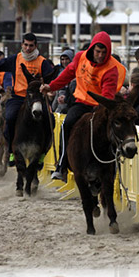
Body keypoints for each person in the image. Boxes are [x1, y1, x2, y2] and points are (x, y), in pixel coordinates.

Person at [42, 32, 126, 182]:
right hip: (81, 103)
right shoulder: (80, 57)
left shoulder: (111, 68)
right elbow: (67, 74)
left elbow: (108, 94)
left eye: (104, 52)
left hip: (100, 107)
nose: (100, 55)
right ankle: (61, 165)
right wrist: (51, 86)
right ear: (92, 49)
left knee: (110, 132)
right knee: (66, 125)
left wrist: (101, 108)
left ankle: (112, 169)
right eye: (98, 51)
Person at [0, 32, 56, 150]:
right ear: (22, 45)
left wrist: (51, 88)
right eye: (26, 45)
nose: (28, 48)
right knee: (10, 118)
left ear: (35, 46)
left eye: (31, 45)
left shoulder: (42, 62)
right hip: (18, 97)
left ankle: (43, 152)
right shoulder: (15, 59)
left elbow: (51, 78)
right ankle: (11, 149)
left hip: (36, 98)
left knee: (50, 120)